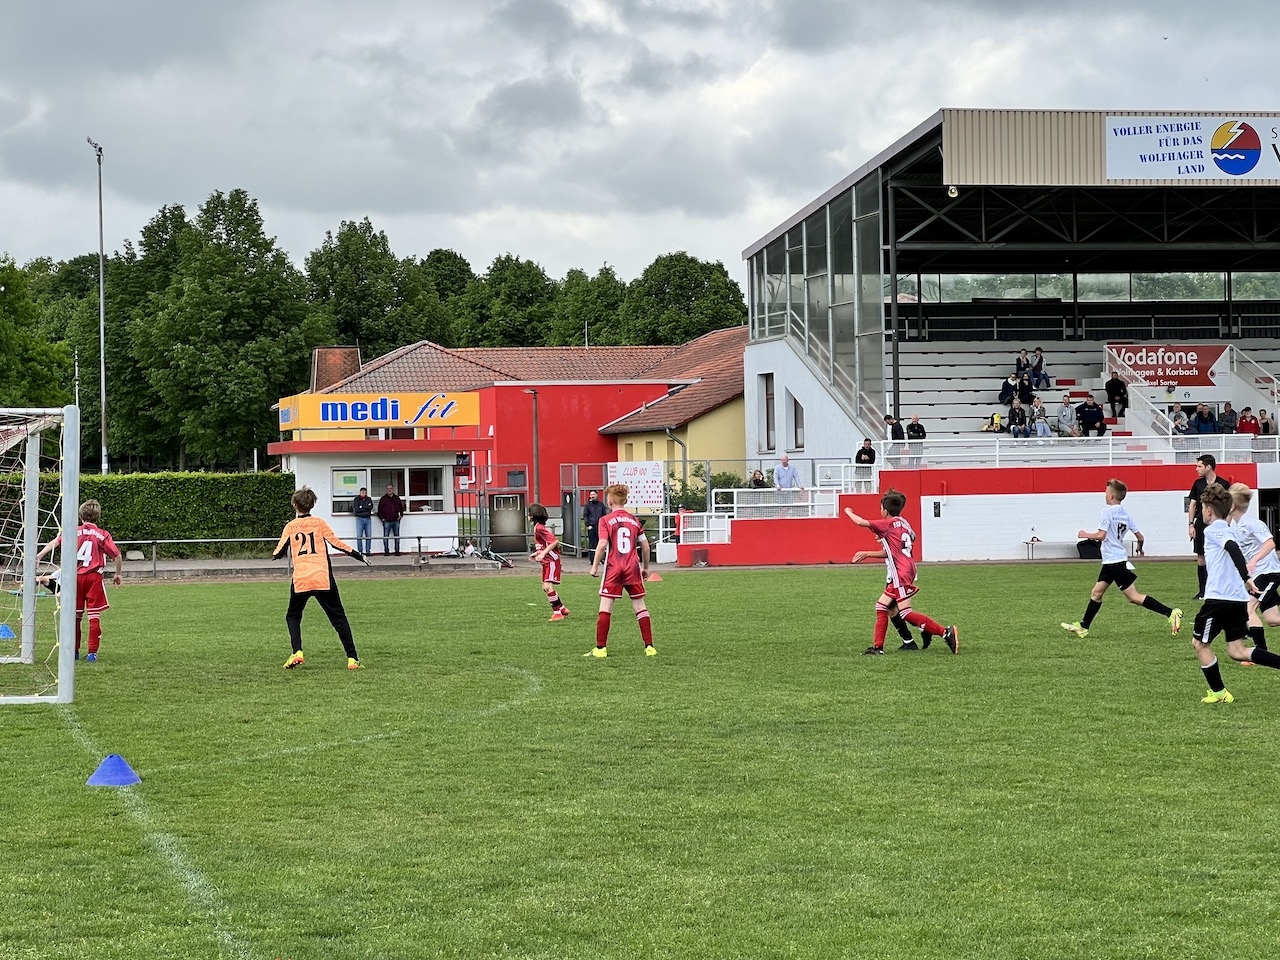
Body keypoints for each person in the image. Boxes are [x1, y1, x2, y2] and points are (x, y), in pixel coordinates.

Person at [1188, 484, 1280, 704]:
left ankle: (1220, 693)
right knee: (1237, 651)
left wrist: (1246, 576)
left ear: (1208, 510)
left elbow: (1232, 548)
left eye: (1202, 508)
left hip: (1219, 600)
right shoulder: (1230, 528)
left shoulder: (1214, 530)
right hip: (1237, 600)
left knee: (1199, 644)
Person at [1060, 479, 1182, 639]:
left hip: (1114, 562)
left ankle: (1171, 613)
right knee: (1096, 593)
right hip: (1114, 561)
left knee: (1134, 597)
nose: (1105, 495)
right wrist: (1140, 548)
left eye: (1106, 493)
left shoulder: (1107, 512)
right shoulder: (1126, 514)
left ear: (1111, 496)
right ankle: (1083, 627)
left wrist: (1085, 534)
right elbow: (1140, 537)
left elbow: (1101, 535)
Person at [843, 490, 959, 656]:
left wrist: (848, 511)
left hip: (900, 572)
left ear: (885, 511)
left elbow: (861, 522)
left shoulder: (888, 524)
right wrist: (874, 549)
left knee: (905, 612)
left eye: (881, 508)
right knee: (882, 606)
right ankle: (878, 647)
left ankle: (945, 632)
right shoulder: (904, 524)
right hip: (907, 568)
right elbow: (910, 539)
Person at [272, 486, 369, 671]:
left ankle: (297, 651)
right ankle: (352, 659)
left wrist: (276, 553)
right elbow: (336, 543)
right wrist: (359, 556)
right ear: (312, 505)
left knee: (293, 616)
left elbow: (278, 552)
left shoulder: (291, 526)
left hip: (301, 579)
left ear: (295, 505)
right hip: (322, 577)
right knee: (338, 618)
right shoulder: (319, 523)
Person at [34, 499, 122, 662]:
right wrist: (118, 574)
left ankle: (73, 652)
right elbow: (117, 555)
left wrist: (40, 555)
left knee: (75, 616)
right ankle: (92, 653)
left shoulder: (72, 531)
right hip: (94, 577)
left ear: (80, 516)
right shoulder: (103, 534)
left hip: (74, 577)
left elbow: (56, 542)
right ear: (98, 517)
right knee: (94, 615)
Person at [586, 484, 656, 658]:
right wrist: (646, 568)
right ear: (625, 500)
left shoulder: (605, 520)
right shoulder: (635, 521)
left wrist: (594, 566)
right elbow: (645, 547)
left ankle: (600, 649)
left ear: (610, 500)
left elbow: (602, 544)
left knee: (606, 606)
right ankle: (649, 647)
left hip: (614, 567)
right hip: (632, 567)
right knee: (640, 606)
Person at [1227, 483, 1279, 656]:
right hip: (1258, 574)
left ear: (1232, 506)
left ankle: (1260, 652)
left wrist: (1254, 561)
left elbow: (1270, 543)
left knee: (1248, 608)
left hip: (1268, 573)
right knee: (1272, 619)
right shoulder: (1236, 526)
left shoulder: (1252, 524)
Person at [1187, 453, 1231, 600]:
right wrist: (1191, 525)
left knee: (1219, 557)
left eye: (1199, 466)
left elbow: (1230, 507)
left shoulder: (1224, 484)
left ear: (1208, 467)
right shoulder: (1197, 484)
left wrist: (1227, 525)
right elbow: (1193, 505)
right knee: (1201, 558)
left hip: (1218, 525)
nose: (1196, 469)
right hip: (1201, 524)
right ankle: (1202, 591)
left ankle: (1219, 589)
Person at [528, 503, 568, 622]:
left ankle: (557, 613)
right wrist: (537, 553)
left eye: (529, 513)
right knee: (545, 587)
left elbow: (554, 541)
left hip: (551, 561)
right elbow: (544, 544)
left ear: (533, 515)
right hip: (546, 561)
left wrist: (543, 554)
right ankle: (562, 608)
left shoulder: (539, 528)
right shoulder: (538, 527)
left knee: (547, 586)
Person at [377, 483, 405, 555]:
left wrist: (401, 515)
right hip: (387, 521)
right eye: (388, 488)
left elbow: (401, 508)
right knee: (386, 537)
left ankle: (397, 551)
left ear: (393, 489)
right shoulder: (383, 499)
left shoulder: (397, 498)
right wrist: (382, 518)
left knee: (397, 537)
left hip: (396, 521)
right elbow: (379, 510)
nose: (389, 490)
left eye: (390, 488)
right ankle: (386, 551)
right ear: (386, 490)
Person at [351, 486, 374, 556]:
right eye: (362, 492)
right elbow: (357, 510)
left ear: (366, 493)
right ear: (360, 493)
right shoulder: (356, 499)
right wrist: (365, 508)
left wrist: (362, 507)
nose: (363, 493)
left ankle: (368, 551)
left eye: (364, 492)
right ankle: (360, 551)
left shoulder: (369, 499)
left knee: (368, 536)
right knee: (359, 536)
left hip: (368, 519)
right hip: (359, 519)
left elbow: (370, 507)